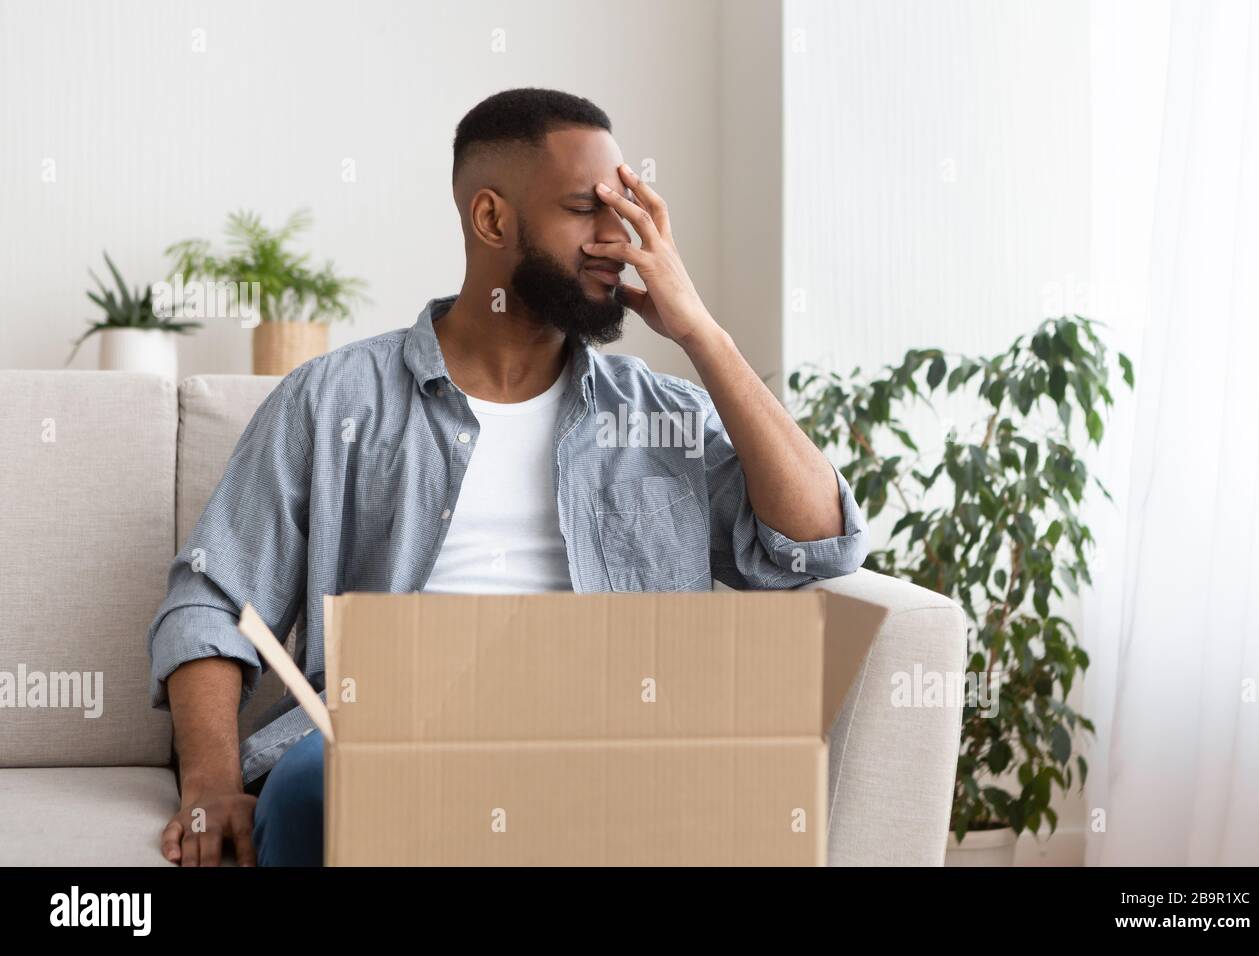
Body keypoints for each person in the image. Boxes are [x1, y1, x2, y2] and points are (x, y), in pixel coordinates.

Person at [147, 87, 870, 866]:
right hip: (386, 734)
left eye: (624, 207)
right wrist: (212, 784)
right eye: (584, 209)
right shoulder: (333, 402)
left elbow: (816, 545)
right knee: (317, 789)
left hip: (614, 740)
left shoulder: (658, 414)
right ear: (492, 219)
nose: (618, 237)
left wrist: (700, 329)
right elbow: (211, 599)